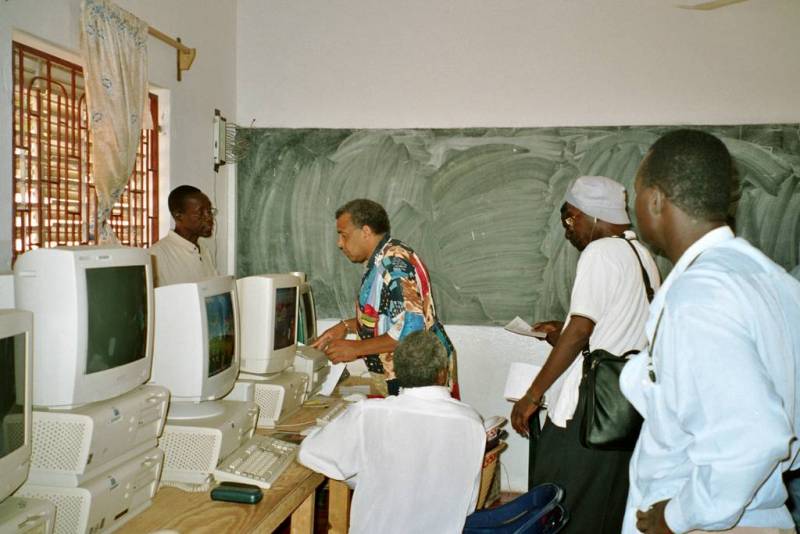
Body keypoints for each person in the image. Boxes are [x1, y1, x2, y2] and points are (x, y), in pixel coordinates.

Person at [621, 129, 800, 534]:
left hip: (713, 523)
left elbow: (752, 436)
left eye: (636, 194)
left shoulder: (700, 297)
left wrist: (677, 516)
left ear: (654, 200)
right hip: (754, 512)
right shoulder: (769, 279)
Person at [510, 175, 660, 533]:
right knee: (605, 503)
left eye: (570, 218)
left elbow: (581, 330)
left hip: (589, 408)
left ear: (591, 215)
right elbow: (617, 329)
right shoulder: (642, 255)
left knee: (559, 501)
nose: (568, 229)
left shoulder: (601, 251)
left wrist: (532, 395)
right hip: (624, 406)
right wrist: (560, 334)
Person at [298, 330, 485, 534]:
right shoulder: (472, 423)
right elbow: (467, 506)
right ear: (442, 374)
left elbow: (309, 453)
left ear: (395, 371)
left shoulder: (368, 413)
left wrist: (366, 476)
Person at [312, 198, 458, 397]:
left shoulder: (394, 264)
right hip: (406, 371)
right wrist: (345, 327)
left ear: (365, 232)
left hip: (420, 374)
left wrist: (356, 348)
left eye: (343, 235)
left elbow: (409, 331)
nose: (339, 244)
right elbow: (387, 317)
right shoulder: (381, 259)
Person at [149, 185, 217, 287]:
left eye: (209, 211)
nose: (209, 218)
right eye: (200, 213)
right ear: (178, 215)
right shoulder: (156, 255)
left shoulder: (203, 249)